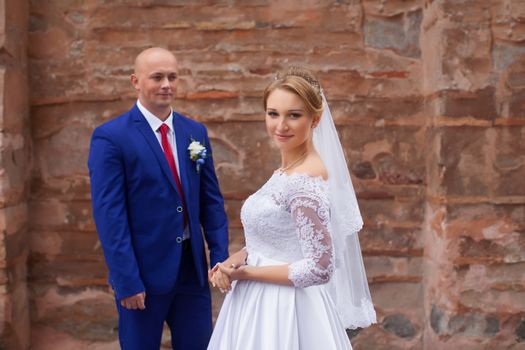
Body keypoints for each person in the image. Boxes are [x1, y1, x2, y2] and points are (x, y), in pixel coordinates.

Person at [207, 67, 376, 349]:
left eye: (293, 115)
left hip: (286, 310)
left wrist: (247, 274)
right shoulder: (288, 171)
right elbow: (278, 238)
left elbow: (320, 267)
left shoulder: (304, 182)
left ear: (315, 119)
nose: (280, 125)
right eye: (273, 114)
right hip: (255, 303)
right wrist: (233, 261)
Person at [88, 47, 229, 350]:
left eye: (172, 77)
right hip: (142, 274)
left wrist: (219, 258)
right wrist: (126, 280)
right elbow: (110, 216)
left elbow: (211, 201)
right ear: (135, 81)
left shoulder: (195, 132)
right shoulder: (111, 137)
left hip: (193, 272)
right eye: (157, 77)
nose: (167, 84)